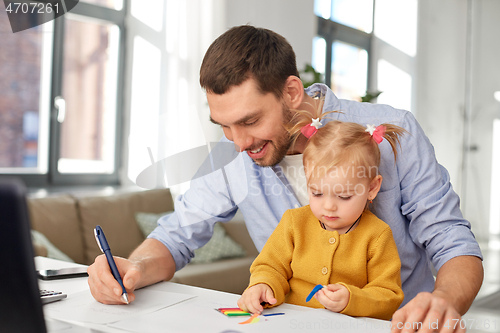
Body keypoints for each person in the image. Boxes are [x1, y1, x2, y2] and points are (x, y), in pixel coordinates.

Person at [87, 25, 483, 332]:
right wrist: (133, 267)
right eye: (224, 126)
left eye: (250, 120)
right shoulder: (234, 157)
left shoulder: (393, 132)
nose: (239, 143)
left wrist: (444, 299)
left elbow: (452, 240)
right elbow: (176, 237)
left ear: (292, 91)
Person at [237, 115, 406, 320]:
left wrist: (352, 299)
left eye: (344, 196)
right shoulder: (294, 222)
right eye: (316, 193)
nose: (328, 206)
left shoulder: (377, 235)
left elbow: (388, 295)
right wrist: (263, 285)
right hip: (290, 322)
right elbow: (270, 267)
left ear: (372, 188)